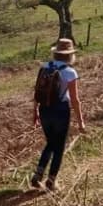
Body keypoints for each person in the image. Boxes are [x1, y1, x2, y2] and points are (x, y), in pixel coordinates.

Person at [30, 38, 85, 192]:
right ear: (70, 55)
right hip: (61, 110)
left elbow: (37, 92)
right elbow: (75, 100)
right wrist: (80, 122)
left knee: (50, 143)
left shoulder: (45, 67)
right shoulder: (70, 72)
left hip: (44, 109)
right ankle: (51, 180)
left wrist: (35, 112)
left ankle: (38, 174)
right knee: (59, 146)